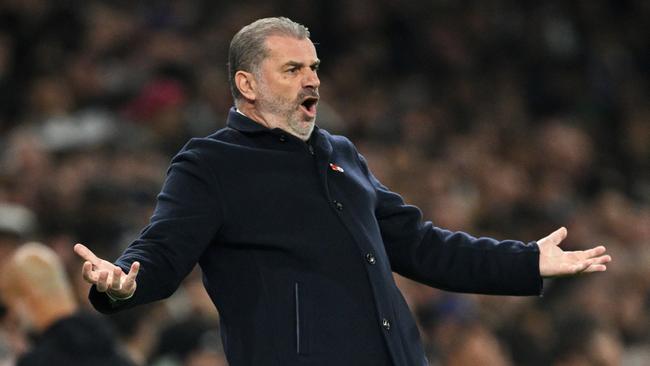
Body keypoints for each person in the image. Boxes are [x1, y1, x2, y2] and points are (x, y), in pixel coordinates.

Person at [73, 17, 611, 366]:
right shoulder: (211, 163)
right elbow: (161, 254)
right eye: (292, 69)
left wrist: (525, 261)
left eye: (314, 67)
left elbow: (421, 246)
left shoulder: (340, 154)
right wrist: (120, 284)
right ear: (247, 84)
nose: (312, 80)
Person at [0, 242, 134, 366]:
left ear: (24, 299)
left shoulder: (38, 360)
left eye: (9, 305)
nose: (10, 317)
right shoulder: (112, 347)